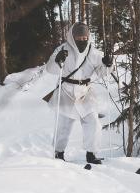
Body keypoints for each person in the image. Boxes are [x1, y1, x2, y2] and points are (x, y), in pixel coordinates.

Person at [46, 22, 113, 164]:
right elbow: (50, 69)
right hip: (66, 91)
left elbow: (102, 72)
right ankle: (59, 153)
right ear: (72, 36)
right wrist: (58, 60)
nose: (82, 40)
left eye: (85, 37)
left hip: (85, 92)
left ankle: (91, 154)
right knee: (63, 125)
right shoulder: (62, 49)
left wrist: (108, 64)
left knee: (93, 123)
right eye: (79, 37)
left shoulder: (94, 52)